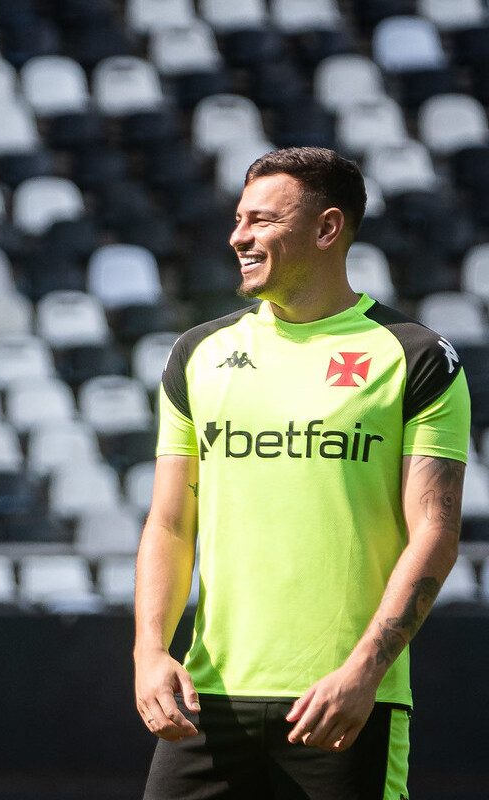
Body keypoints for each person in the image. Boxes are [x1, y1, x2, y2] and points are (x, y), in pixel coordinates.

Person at [133, 147, 470, 799]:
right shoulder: (198, 354)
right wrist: (150, 652)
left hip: (342, 701)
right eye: (238, 219)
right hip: (210, 701)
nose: (238, 236)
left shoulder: (416, 356)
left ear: (327, 228)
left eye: (261, 220)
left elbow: (436, 530)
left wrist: (366, 673)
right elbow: (170, 523)